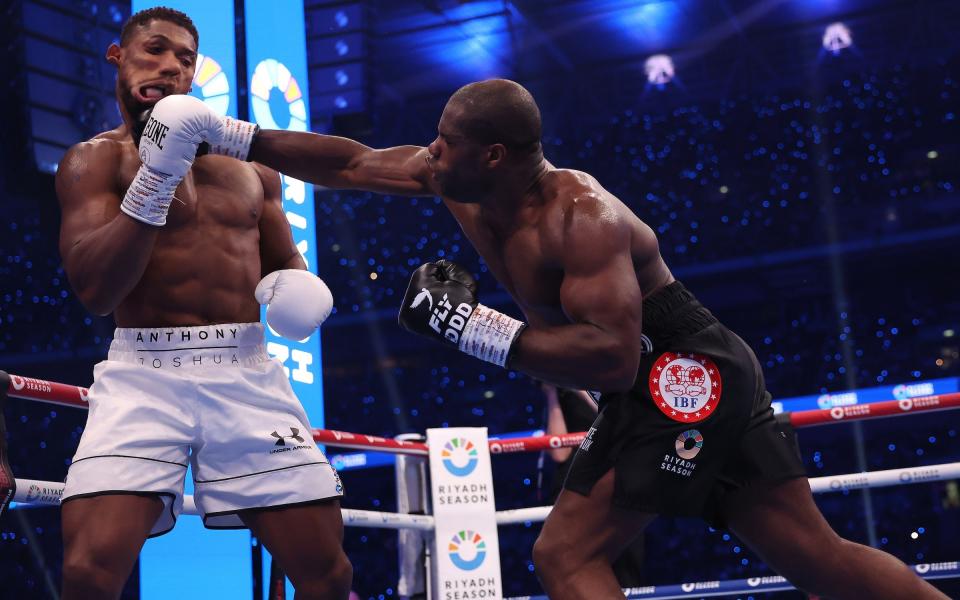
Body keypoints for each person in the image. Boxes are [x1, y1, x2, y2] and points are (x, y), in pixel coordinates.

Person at [174, 78, 945, 598]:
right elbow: (348, 161)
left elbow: (611, 356)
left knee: (564, 554)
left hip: (683, 375)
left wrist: (473, 327)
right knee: (820, 562)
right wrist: (233, 136)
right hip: (666, 383)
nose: (430, 153)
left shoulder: (584, 219)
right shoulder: (458, 180)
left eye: (445, 144)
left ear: (495, 156)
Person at [54, 8, 350, 599]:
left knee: (327, 572)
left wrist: (296, 287)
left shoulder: (250, 166)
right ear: (118, 56)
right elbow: (97, 291)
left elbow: (282, 261)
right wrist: (156, 176)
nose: (170, 66)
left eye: (185, 59)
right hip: (143, 373)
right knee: (89, 570)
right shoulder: (93, 161)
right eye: (155, 50)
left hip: (244, 371)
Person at [540, 383, 645, 589]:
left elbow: (616, 419)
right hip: (578, 488)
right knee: (569, 559)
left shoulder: (619, 385)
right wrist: (551, 393)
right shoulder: (561, 397)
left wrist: (582, 387)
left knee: (626, 563)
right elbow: (558, 453)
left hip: (617, 483)